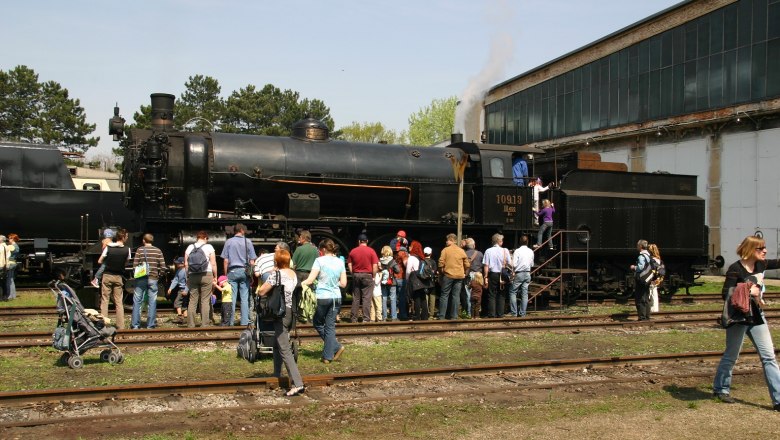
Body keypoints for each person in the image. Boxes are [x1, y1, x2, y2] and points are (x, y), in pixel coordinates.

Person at [712, 235, 780, 411]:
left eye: (765, 248)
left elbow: (777, 262)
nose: (765, 251)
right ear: (751, 250)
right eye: (761, 248)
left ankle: (778, 400)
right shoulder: (735, 269)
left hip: (757, 316)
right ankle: (721, 389)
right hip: (739, 317)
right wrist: (748, 289)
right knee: (731, 355)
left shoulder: (761, 264)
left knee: (769, 357)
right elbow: (725, 293)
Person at [256, 249, 305, 396]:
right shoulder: (293, 274)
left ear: (276, 261)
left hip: (280, 313)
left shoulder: (277, 274)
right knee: (278, 342)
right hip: (290, 312)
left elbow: (262, 291)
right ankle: (277, 373)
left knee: (284, 349)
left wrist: (273, 273)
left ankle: (297, 383)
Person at [301, 239, 347, 364]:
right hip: (336, 297)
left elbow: (310, 280)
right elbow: (343, 283)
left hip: (322, 297)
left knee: (317, 323)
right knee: (330, 326)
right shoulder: (340, 261)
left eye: (320, 250)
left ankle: (332, 352)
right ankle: (332, 351)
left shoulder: (319, 261)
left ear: (324, 249)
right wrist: (333, 283)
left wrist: (300, 284)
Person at [221, 223, 257, 326]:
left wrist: (225, 274)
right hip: (244, 271)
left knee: (231, 298)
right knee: (244, 298)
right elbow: (252, 261)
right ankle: (244, 322)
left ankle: (230, 322)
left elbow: (225, 260)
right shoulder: (248, 242)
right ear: (241, 230)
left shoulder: (229, 242)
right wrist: (251, 274)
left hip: (232, 271)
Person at [131, 233, 166, 329]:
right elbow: (163, 267)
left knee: (137, 301)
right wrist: (159, 275)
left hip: (141, 278)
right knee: (152, 302)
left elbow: (134, 265)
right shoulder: (158, 251)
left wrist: (137, 274)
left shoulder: (140, 250)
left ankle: (135, 325)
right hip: (153, 278)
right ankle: (150, 325)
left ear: (143, 240)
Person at [98, 229, 130, 329]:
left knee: (105, 300)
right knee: (119, 302)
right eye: (127, 236)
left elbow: (100, 261)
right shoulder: (127, 249)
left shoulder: (108, 248)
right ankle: (120, 326)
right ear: (123, 237)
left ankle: (104, 325)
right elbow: (126, 263)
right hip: (118, 277)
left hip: (107, 275)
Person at [185, 231, 218, 327]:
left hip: (192, 275)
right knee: (205, 300)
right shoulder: (209, 247)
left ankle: (191, 324)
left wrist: (187, 276)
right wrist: (215, 276)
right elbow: (213, 263)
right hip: (206, 275)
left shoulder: (189, 247)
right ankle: (204, 324)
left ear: (197, 238)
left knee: (192, 300)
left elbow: (186, 264)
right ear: (205, 238)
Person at [347, 234, 379, 323]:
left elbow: (349, 264)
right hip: (368, 275)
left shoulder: (353, 251)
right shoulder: (371, 251)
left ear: (359, 241)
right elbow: (375, 265)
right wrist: (373, 275)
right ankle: (366, 319)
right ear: (367, 241)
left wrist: (353, 273)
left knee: (356, 298)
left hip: (356, 275)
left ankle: (353, 318)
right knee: (366, 298)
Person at [437, 233, 468, 320]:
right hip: (459, 276)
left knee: (444, 295)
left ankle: (442, 316)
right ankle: (454, 316)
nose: (446, 242)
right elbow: (467, 264)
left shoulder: (445, 250)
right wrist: (464, 272)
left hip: (448, 275)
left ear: (450, 240)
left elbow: (440, 263)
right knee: (456, 296)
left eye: (447, 240)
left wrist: (441, 272)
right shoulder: (461, 251)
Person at [482, 233, 511, 318]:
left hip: (492, 274)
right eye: (502, 240)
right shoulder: (505, 250)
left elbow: (486, 265)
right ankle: (500, 313)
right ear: (499, 241)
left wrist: (485, 277)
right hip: (503, 274)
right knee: (502, 294)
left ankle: (492, 314)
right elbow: (510, 263)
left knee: (492, 294)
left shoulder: (488, 251)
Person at [509, 235, 534, 317]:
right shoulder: (531, 251)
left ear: (520, 242)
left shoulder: (517, 251)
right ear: (527, 242)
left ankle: (514, 313)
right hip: (527, 273)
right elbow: (532, 264)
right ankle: (522, 313)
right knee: (525, 294)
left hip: (519, 273)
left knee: (513, 292)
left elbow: (514, 264)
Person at [406, 241, 431, 320]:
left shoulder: (411, 257)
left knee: (416, 297)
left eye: (411, 246)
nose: (409, 247)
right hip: (422, 279)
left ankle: (417, 316)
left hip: (415, 279)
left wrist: (407, 279)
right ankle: (425, 316)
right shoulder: (421, 257)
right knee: (423, 298)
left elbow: (408, 271)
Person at [629, 239, 652, 321]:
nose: (637, 247)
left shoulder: (641, 256)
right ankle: (647, 316)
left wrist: (633, 267)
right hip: (648, 279)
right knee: (646, 298)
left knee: (639, 297)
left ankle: (642, 317)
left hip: (641, 279)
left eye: (637, 245)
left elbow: (640, 267)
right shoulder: (649, 255)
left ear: (640, 246)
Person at [463, 238, 483, 317]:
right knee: (478, 295)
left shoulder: (464, 253)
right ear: (474, 245)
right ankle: (477, 314)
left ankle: (469, 313)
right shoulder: (480, 254)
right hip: (478, 276)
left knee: (469, 295)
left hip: (468, 275)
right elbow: (483, 264)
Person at [378, 246, 399, 321]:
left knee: (384, 298)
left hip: (383, 282)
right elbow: (397, 270)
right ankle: (394, 317)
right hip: (391, 282)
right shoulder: (392, 261)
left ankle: (384, 316)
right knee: (393, 299)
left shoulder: (380, 261)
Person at [167, 257, 189, 323]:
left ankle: (180, 317)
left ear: (183, 263)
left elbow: (188, 281)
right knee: (184, 304)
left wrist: (186, 290)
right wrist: (170, 288)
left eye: (178, 263)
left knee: (177, 302)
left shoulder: (185, 271)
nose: (177, 264)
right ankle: (186, 318)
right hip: (182, 290)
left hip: (183, 290)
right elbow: (175, 280)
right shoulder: (179, 271)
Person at [3, 233, 19, 301]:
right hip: (14, 263)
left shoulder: (11, 246)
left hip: (10, 263)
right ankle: (13, 295)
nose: (8, 239)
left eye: (9, 238)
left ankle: (10, 295)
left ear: (13, 239)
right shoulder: (17, 246)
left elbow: (4, 248)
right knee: (11, 280)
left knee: (9, 280)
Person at [395, 247, 409, 320]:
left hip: (395, 278)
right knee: (402, 297)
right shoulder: (403, 254)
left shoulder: (396, 254)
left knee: (396, 297)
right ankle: (403, 315)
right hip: (401, 277)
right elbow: (406, 264)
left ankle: (395, 314)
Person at [648, 243, 662, 314]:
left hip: (651, 279)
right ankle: (655, 309)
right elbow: (661, 270)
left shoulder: (651, 260)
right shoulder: (659, 260)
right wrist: (659, 278)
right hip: (657, 279)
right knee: (654, 294)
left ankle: (650, 309)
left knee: (649, 294)